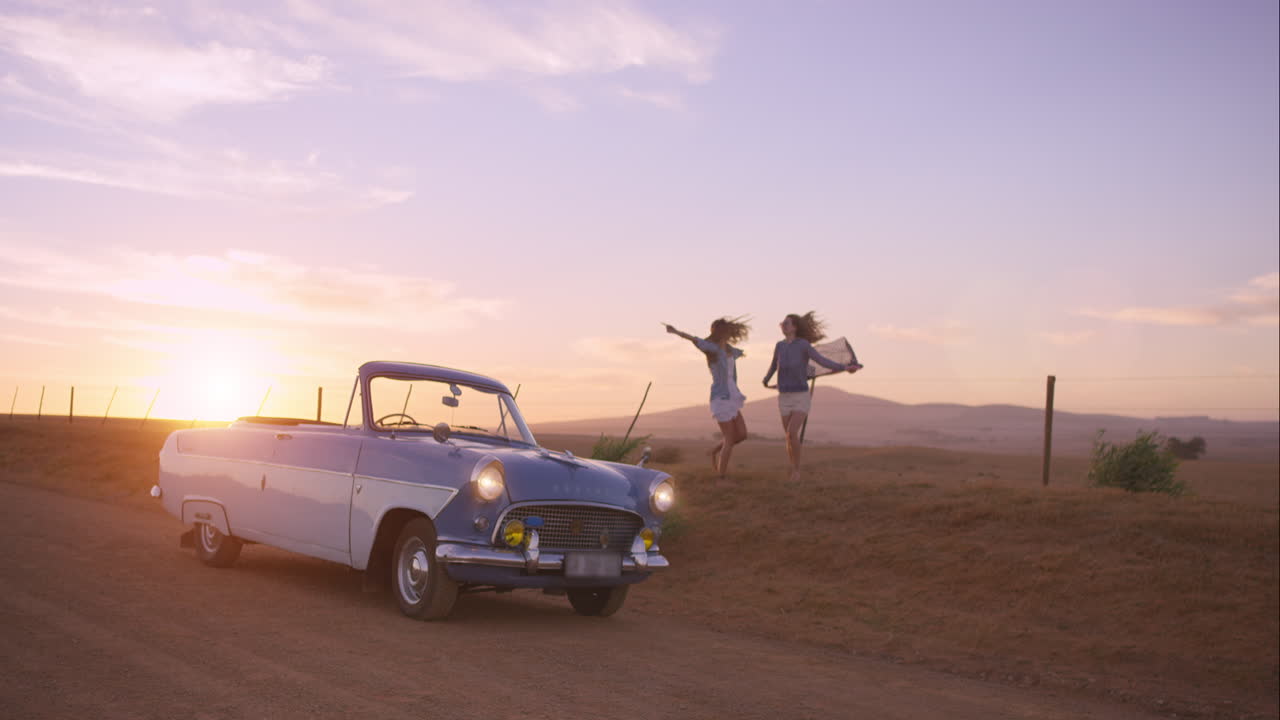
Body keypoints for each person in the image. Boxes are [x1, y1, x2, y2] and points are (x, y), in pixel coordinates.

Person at [762, 312, 861, 482]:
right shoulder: (779, 346)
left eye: (786, 323)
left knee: (792, 432)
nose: (783, 325)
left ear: (794, 327)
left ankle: (796, 470)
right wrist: (766, 380)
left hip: (800, 396)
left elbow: (822, 361)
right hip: (784, 396)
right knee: (789, 436)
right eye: (782, 323)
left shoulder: (803, 345)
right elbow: (773, 366)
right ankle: (793, 467)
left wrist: (844, 368)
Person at [665, 318, 750, 480]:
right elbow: (695, 340)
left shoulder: (730, 349)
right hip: (720, 398)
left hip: (732, 396)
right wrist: (676, 332)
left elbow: (740, 353)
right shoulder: (712, 349)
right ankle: (721, 477)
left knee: (742, 434)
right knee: (730, 438)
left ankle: (715, 450)